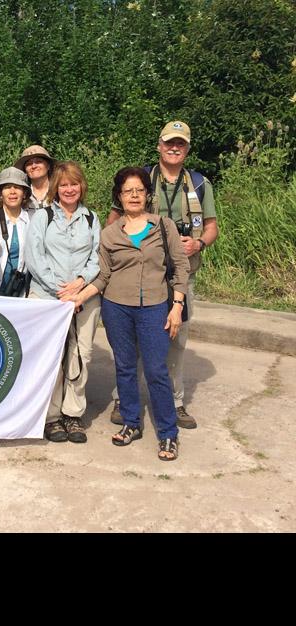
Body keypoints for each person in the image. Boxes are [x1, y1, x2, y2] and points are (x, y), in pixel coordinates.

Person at [106, 121, 219, 429]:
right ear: (159, 145)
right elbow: (113, 221)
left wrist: (197, 243)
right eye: (169, 142)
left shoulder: (199, 184)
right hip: (142, 273)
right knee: (133, 341)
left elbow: (211, 227)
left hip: (182, 273)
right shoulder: (141, 180)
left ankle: (175, 400)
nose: (174, 148)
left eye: (180, 143)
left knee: (176, 340)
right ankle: (123, 399)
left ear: (187, 149)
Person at [73, 167, 189, 461]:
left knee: (156, 370)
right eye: (128, 191)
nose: (134, 195)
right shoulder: (109, 234)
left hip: (155, 307)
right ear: (119, 196)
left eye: (139, 190)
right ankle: (131, 422)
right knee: (124, 367)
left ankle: (168, 433)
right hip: (117, 308)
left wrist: (177, 306)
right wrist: (78, 298)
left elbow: (181, 267)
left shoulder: (163, 227)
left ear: (147, 195)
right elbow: (102, 276)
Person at [24, 161, 101, 444]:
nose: (69, 189)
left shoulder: (91, 219)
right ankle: (52, 416)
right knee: (51, 357)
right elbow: (35, 258)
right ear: (56, 188)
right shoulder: (42, 217)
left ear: (82, 186)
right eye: (64, 185)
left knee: (81, 354)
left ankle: (73, 413)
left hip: (83, 296)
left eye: (74, 184)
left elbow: (97, 257)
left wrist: (80, 284)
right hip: (48, 296)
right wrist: (61, 292)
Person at [0, 166, 31, 296]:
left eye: (17, 187)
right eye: (7, 187)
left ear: (24, 193)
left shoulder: (33, 220)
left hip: (19, 292)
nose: (12, 192)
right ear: (0, 194)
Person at [13, 144, 55, 218]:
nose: (34, 166)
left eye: (38, 162)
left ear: (48, 166)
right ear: (25, 169)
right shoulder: (20, 195)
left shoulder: (59, 191)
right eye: (29, 164)